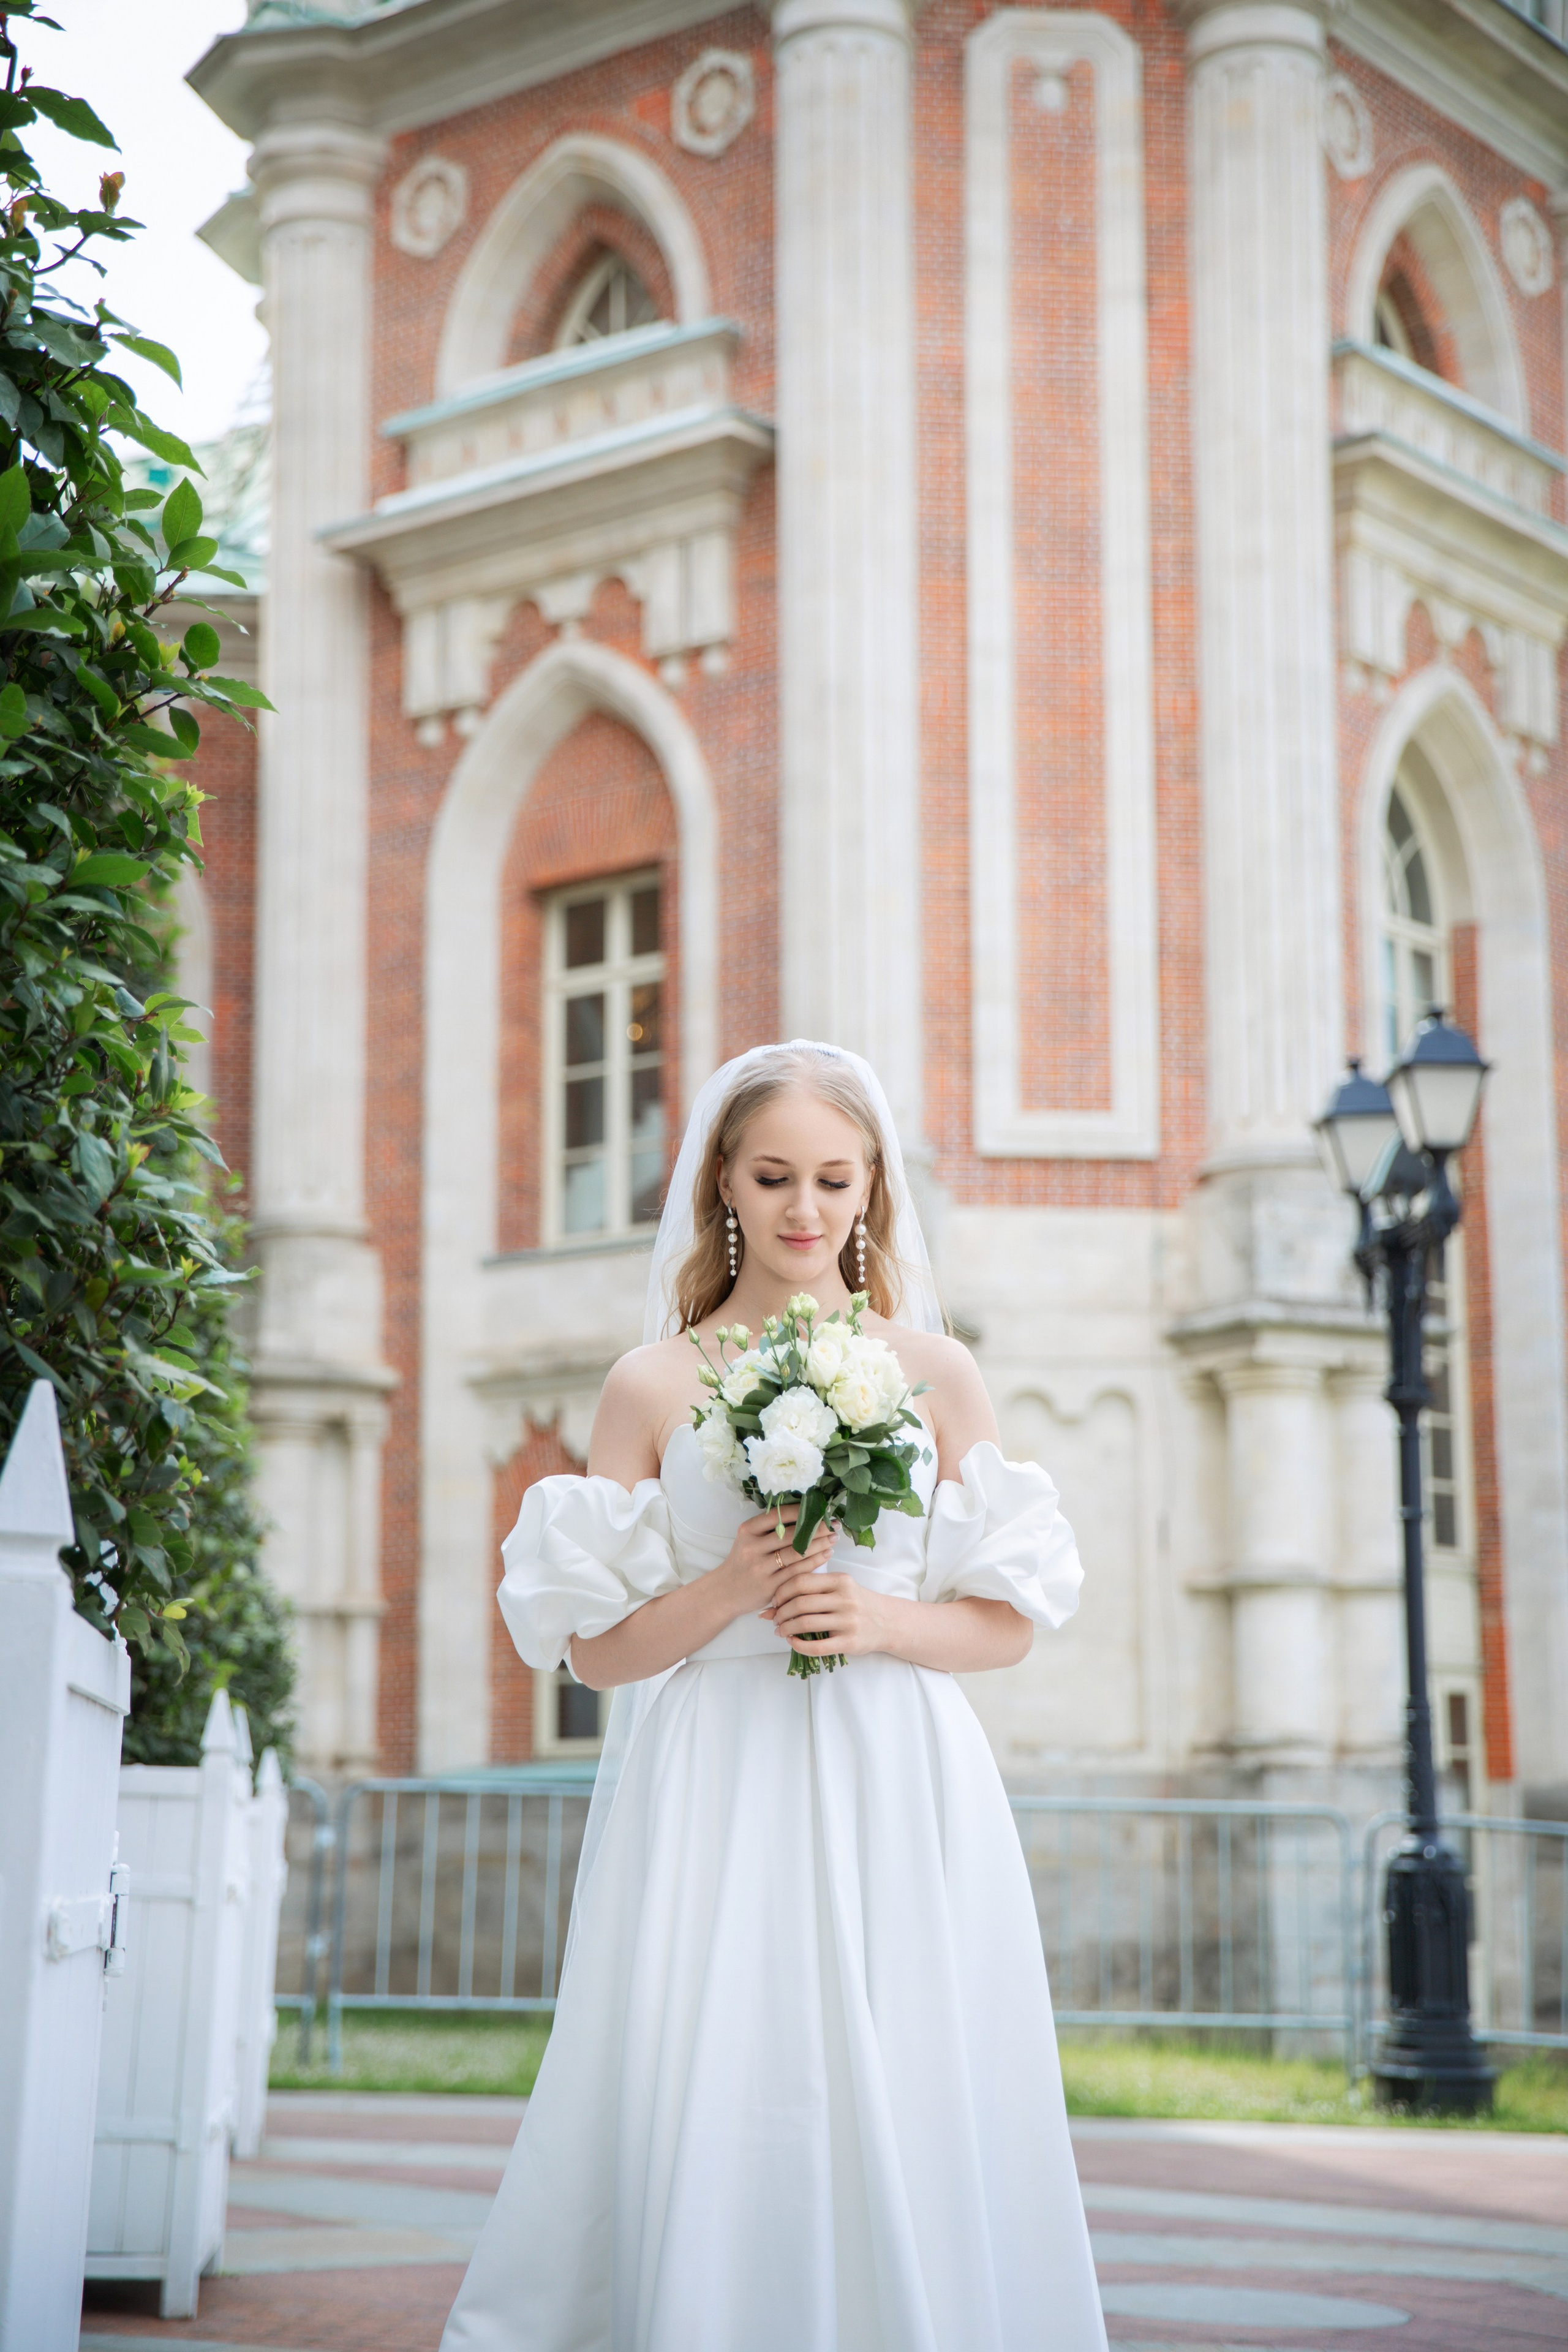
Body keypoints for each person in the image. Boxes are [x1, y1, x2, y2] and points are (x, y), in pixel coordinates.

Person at [440, 1041, 1108, 2352]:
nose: (804, 1210)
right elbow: (595, 1657)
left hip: (896, 1771)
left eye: (832, 1180)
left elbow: (1007, 1623)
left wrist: (877, 1617)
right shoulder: (651, 1383)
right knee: (727, 2066)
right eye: (773, 1177)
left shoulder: (935, 1372)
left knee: (908, 2069)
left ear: (870, 1197)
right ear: (721, 1192)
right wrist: (733, 1587)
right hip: (716, 1775)